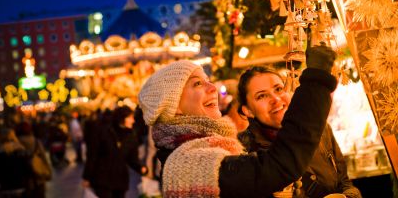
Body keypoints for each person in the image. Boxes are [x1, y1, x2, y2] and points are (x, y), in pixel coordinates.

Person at [137, 43, 338, 197]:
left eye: (208, 81)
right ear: (175, 107)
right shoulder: (188, 164)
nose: (212, 88)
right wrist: (316, 82)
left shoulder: (211, 149)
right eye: (197, 84)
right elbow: (277, 167)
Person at [236, 63, 361, 196]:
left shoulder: (318, 127)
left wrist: (348, 196)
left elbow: (345, 183)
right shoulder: (243, 153)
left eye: (278, 89)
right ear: (248, 111)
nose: (276, 99)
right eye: (262, 96)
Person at [82, 106, 147, 198]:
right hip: (102, 179)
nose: (133, 121)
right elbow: (92, 155)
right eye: (130, 117)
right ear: (122, 118)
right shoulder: (103, 131)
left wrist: (141, 168)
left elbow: (132, 158)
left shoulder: (131, 135)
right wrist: (86, 177)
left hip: (120, 181)